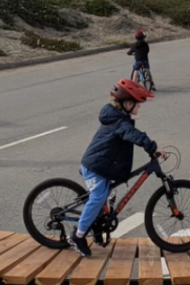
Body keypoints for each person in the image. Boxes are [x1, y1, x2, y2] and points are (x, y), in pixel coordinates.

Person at [70, 79, 167, 257]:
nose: (139, 107)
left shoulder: (118, 118)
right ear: (128, 104)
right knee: (98, 197)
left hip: (103, 164)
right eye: (138, 104)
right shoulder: (120, 123)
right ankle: (78, 236)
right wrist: (152, 147)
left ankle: (96, 226)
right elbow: (134, 135)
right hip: (95, 166)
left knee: (105, 193)